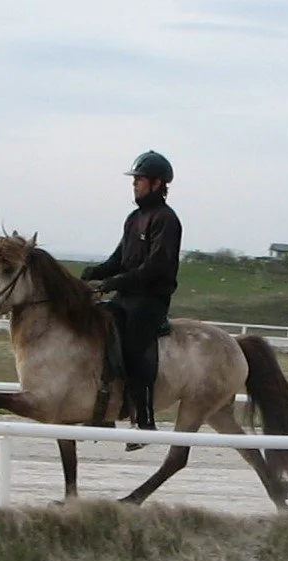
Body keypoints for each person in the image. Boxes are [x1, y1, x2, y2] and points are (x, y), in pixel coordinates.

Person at [80, 150, 183, 450]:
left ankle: (144, 422)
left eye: (139, 179)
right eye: (134, 179)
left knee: (134, 348)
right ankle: (105, 411)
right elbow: (118, 260)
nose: (134, 184)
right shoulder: (134, 219)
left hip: (150, 300)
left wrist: (112, 284)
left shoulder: (166, 220)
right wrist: (92, 273)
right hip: (126, 296)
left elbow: (155, 267)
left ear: (156, 183)